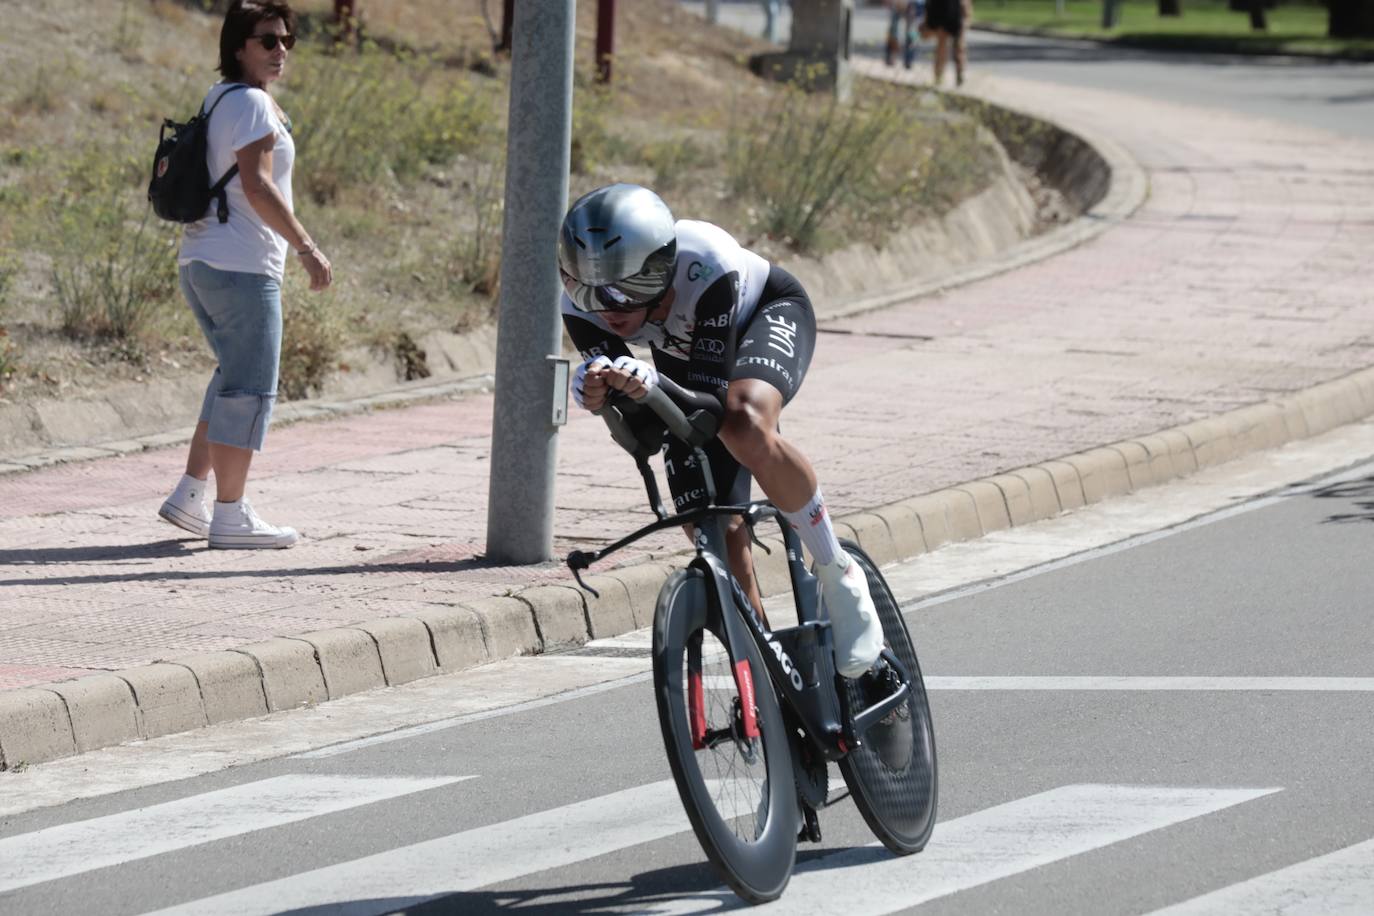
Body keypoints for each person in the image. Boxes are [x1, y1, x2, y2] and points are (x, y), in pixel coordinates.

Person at [559, 184, 883, 679]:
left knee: (744, 422)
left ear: (661, 267)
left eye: (626, 288)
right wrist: (605, 399)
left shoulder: (705, 260)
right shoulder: (580, 308)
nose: (606, 307)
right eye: (586, 288)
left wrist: (651, 385)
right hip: (685, 358)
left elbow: (713, 410)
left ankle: (838, 573)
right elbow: (649, 434)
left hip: (760, 317)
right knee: (711, 527)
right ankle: (771, 676)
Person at [158, 0, 332, 549]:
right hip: (242, 267)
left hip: (202, 261)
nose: (280, 50)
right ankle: (231, 515)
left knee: (230, 380)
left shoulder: (222, 97)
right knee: (249, 389)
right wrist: (305, 247)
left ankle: (191, 493)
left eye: (286, 40)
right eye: (267, 40)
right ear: (239, 47)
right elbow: (258, 187)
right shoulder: (253, 103)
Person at [921, 0, 970, 86]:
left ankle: (959, 73)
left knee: (957, 46)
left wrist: (967, 13)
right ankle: (939, 76)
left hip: (954, 8)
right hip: (943, 8)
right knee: (943, 45)